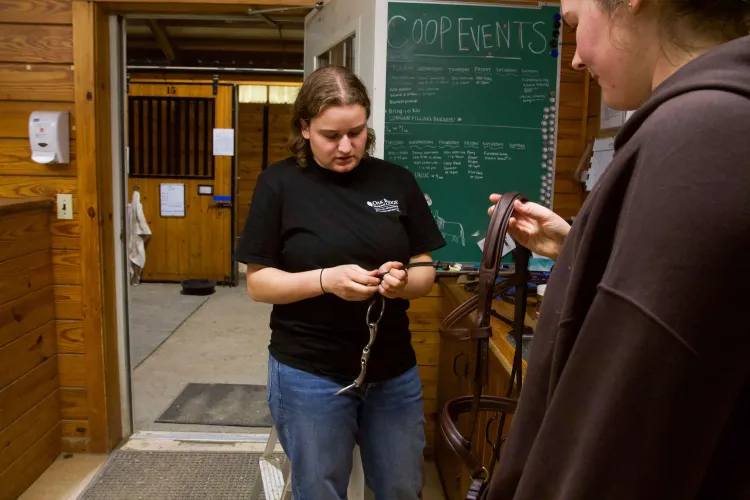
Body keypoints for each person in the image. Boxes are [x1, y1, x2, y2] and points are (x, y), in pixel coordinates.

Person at [484, 0, 750, 498]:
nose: (577, 59)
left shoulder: (698, 137)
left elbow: (618, 437)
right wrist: (577, 248)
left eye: (574, 23)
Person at [234, 66, 446, 500]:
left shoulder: (396, 180)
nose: (347, 146)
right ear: (305, 128)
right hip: (310, 372)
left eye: (358, 132)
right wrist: (325, 280)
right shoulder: (279, 184)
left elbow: (425, 272)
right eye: (332, 135)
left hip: (392, 370)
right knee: (319, 490)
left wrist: (401, 281)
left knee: (402, 487)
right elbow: (260, 284)